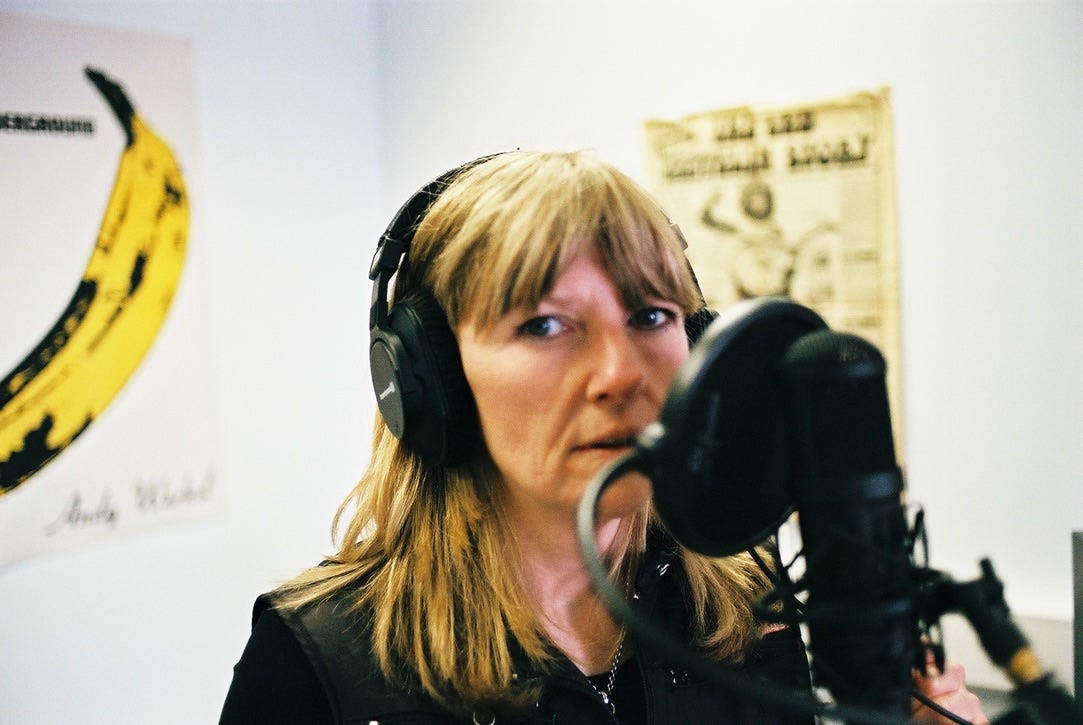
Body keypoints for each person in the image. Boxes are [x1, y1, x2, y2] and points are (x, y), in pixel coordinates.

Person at [220, 150, 987, 724]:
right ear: (431, 382)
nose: (618, 373)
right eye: (544, 324)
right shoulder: (315, 663)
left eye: (649, 315)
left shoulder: (752, 612)